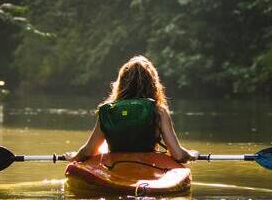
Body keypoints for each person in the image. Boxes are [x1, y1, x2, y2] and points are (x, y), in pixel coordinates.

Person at [65, 55, 197, 162]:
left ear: (122, 83)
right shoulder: (159, 111)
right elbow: (178, 155)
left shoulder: (109, 111)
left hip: (115, 169)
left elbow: (89, 151)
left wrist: (74, 157)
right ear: (153, 84)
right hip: (149, 168)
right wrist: (191, 155)